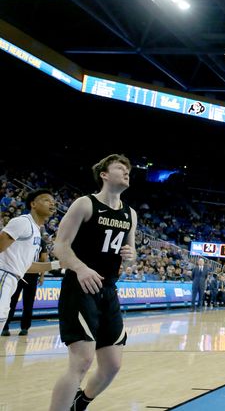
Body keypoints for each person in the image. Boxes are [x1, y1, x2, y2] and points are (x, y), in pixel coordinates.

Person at [49, 154, 138, 411]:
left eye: (128, 169)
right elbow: (60, 246)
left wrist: (131, 255)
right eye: (120, 168)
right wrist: (80, 268)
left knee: (112, 365)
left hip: (109, 290)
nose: (126, 172)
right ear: (104, 174)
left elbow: (129, 254)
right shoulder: (85, 204)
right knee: (81, 361)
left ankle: (81, 401)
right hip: (80, 287)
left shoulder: (130, 214)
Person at [0, 189, 60, 334]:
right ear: (33, 204)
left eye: (53, 201)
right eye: (47, 200)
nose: (52, 203)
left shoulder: (35, 230)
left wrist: (61, 264)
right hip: (3, 275)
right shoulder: (22, 222)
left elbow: (27, 266)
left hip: (13, 278)